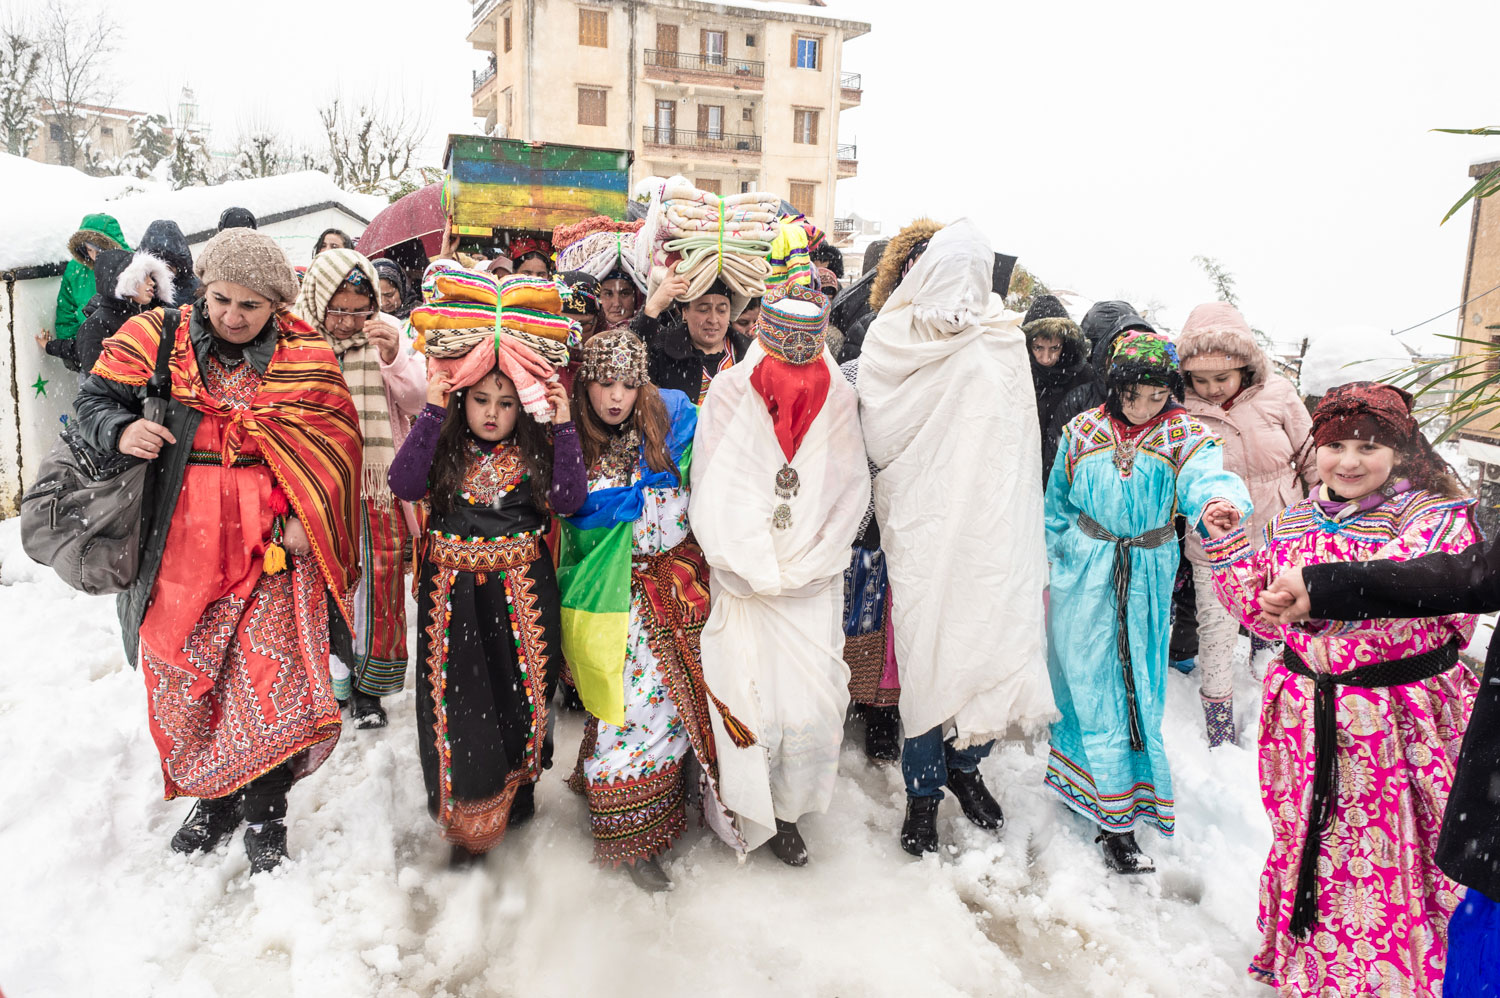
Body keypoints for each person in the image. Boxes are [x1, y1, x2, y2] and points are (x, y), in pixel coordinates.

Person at [73, 228, 362, 873]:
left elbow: (337, 445)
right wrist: (122, 429)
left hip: (270, 547)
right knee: (186, 677)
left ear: (277, 308)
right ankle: (217, 795)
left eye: (250, 306)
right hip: (179, 543)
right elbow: (90, 402)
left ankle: (266, 812)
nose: (232, 316)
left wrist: (303, 515)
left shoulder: (304, 353)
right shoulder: (156, 337)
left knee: (265, 680)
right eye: (221, 299)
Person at [1203, 382, 1477, 997]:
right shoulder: (1298, 519)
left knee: (1400, 845)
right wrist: (1228, 551)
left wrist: (1317, 600)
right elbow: (1264, 615)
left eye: (1367, 447)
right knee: (1316, 838)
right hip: (1308, 717)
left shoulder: (1436, 519)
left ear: (1401, 453)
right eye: (1335, 446)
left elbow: (1417, 597)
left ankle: (1402, 974)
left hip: (1396, 718)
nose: (1349, 462)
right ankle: (1320, 964)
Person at [858, 220, 1055, 856]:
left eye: (971, 277)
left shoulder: (1001, 340)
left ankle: (967, 771)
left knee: (984, 643)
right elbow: (882, 430)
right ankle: (922, 792)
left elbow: (1014, 439)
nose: (960, 291)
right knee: (925, 652)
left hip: (989, 525)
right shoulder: (891, 337)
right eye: (949, 274)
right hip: (922, 519)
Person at [1043, 330, 1249, 874]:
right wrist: (1058, 558)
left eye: (1158, 394)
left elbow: (1209, 478)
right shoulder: (1081, 431)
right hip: (1082, 574)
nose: (1145, 405)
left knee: (1134, 693)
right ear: (1113, 386)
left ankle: (1119, 818)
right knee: (1083, 683)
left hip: (1145, 577)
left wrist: (1218, 504)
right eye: (1134, 393)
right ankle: (1084, 792)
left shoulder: (1185, 436)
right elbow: (1055, 505)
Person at [689, 282, 870, 866]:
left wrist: (810, 566)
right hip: (742, 579)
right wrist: (748, 565)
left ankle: (788, 813)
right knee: (748, 699)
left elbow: (849, 492)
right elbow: (713, 485)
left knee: (807, 708)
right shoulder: (730, 392)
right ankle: (740, 803)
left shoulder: (840, 400)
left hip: (810, 588)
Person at [556, 329, 740, 890]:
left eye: (628, 385)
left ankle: (663, 807)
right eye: (604, 383)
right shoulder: (574, 446)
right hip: (615, 598)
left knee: (677, 709)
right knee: (629, 710)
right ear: (585, 384)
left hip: (677, 587)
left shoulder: (673, 430)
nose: (615, 397)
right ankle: (628, 832)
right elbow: (571, 515)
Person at [388, 334, 582, 865]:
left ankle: (516, 797)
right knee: (460, 709)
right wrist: (431, 411)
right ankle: (469, 821)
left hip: (522, 596)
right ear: (461, 399)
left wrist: (562, 426)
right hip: (452, 600)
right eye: (480, 400)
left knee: (520, 699)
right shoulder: (443, 444)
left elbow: (569, 499)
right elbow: (403, 484)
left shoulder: (535, 447)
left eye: (505, 402)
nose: (492, 413)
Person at [293, 249, 427, 728]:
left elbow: (418, 398)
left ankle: (371, 687)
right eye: (339, 308)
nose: (349, 320)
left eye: (359, 309)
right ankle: (334, 678)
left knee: (379, 586)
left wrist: (393, 356)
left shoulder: (387, 337)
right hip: (319, 488)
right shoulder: (298, 342)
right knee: (328, 588)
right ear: (318, 300)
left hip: (377, 487)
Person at [1175, 301, 1314, 746]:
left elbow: (1312, 456)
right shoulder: (1180, 412)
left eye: (1223, 378)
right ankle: (1219, 728)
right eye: (1201, 380)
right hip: (1213, 546)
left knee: (1279, 619)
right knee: (1214, 635)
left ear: (1246, 368)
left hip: (1280, 536)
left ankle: (1273, 680)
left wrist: (1323, 514)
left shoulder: (1278, 395)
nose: (1212, 389)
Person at [839, 357, 901, 763]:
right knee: (851, 613)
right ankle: (846, 697)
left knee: (893, 623)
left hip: (904, 510)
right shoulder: (850, 374)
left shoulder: (929, 369)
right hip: (853, 511)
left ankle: (883, 712)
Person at [633, 273, 750, 403]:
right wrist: (653, 308)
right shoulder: (662, 351)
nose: (713, 319)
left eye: (721, 310)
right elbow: (628, 360)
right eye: (703, 310)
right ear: (685, 312)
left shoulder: (750, 354)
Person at [64, 250, 175, 377]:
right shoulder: (96, 326)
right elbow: (99, 383)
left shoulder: (154, 314)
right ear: (125, 281)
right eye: (144, 276)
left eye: (151, 276)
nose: (152, 282)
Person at [1023, 293, 1091, 484]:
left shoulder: (1083, 375)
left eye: (1054, 348)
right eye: (1038, 348)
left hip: (1063, 468)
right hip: (1024, 462)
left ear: (1065, 344)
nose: (1046, 358)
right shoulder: (1018, 369)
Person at [54, 213, 129, 347]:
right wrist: (73, 345)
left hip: (123, 347)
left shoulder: (130, 267)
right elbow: (66, 310)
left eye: (99, 251)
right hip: (88, 345)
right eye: (89, 250)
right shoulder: (75, 270)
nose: (94, 256)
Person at [138, 219, 198, 306]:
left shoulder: (196, 289)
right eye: (158, 265)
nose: (163, 272)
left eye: (169, 266)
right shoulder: (140, 288)